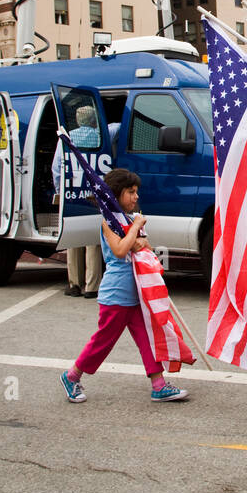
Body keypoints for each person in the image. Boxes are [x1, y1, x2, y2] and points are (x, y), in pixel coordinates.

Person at [60, 168, 188, 403]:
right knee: (103, 342)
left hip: (135, 293)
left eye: (137, 192)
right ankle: (72, 376)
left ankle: (158, 385)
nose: (136, 196)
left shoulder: (127, 220)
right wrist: (136, 229)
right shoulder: (109, 222)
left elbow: (145, 246)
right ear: (116, 194)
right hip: (116, 294)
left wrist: (140, 237)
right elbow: (119, 251)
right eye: (131, 192)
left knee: (147, 339)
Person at [51, 104, 103, 298]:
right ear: (93, 119)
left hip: (72, 192)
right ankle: (91, 286)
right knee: (92, 240)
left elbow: (57, 168)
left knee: (73, 239)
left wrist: (60, 191)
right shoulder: (100, 136)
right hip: (92, 193)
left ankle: (74, 283)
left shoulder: (67, 138)